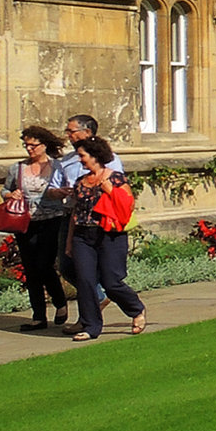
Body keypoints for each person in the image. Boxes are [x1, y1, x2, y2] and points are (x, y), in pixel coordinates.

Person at [65, 137, 146, 340]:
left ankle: (135, 309)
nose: (80, 160)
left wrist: (109, 190)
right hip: (83, 237)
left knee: (111, 282)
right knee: (85, 281)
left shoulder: (116, 178)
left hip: (110, 236)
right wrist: (69, 242)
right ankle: (91, 326)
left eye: (82, 156)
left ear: (95, 156)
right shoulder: (80, 182)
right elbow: (76, 214)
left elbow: (127, 206)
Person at [52, 115, 124, 307]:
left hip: (99, 218)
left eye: (72, 131)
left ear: (87, 132)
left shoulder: (110, 160)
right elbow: (53, 188)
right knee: (67, 267)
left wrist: (89, 190)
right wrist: (58, 192)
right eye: (67, 131)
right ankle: (98, 298)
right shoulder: (65, 161)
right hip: (71, 217)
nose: (68, 136)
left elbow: (118, 187)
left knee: (100, 269)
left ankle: (92, 313)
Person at [5, 125, 70, 330]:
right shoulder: (17, 168)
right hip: (25, 221)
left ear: (44, 145)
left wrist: (61, 193)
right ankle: (38, 315)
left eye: (34, 145)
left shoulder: (58, 167)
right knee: (31, 268)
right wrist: (10, 195)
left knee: (44, 264)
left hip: (52, 219)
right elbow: (5, 189)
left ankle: (59, 301)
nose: (30, 149)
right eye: (27, 145)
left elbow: (70, 188)